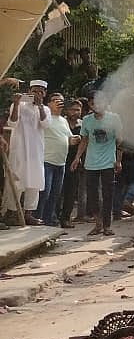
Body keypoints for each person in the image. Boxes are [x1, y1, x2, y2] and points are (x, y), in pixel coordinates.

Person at [72, 90, 123, 237]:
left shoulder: (114, 118)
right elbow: (84, 140)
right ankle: (98, 223)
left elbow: (120, 141)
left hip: (109, 163)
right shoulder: (87, 120)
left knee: (108, 195)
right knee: (92, 195)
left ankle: (107, 226)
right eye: (93, 103)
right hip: (91, 163)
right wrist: (77, 157)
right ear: (90, 104)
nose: (97, 105)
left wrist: (118, 161)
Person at [3, 80, 48, 226]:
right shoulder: (19, 105)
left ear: (45, 94)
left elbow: (46, 124)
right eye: (35, 91)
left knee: (34, 182)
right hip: (20, 149)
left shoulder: (45, 109)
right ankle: (11, 212)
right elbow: (12, 123)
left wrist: (40, 105)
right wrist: (16, 104)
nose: (37, 94)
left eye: (41, 92)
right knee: (16, 180)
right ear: (29, 91)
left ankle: (29, 213)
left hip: (36, 151)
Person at [34, 92, 71, 227]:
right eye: (55, 100)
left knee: (55, 194)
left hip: (61, 162)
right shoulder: (44, 116)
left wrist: (76, 139)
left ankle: (48, 221)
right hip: (46, 160)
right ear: (48, 103)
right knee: (45, 193)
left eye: (61, 101)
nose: (59, 103)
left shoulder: (64, 120)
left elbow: (69, 139)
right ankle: (38, 219)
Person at [56, 98, 84, 228]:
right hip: (60, 159)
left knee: (71, 191)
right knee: (57, 190)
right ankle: (54, 217)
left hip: (76, 161)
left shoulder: (82, 125)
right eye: (73, 109)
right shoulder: (61, 123)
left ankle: (66, 218)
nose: (76, 112)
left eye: (78, 110)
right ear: (67, 110)